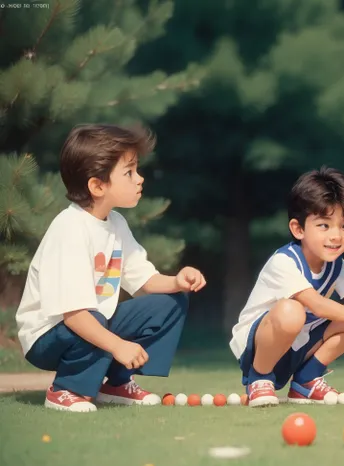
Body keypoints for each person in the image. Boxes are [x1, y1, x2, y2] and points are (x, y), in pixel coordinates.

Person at [16, 124, 206, 412]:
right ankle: (66, 389)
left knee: (170, 302)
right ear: (97, 185)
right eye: (129, 172)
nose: (140, 179)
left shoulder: (116, 223)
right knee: (92, 317)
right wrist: (118, 346)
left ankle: (116, 383)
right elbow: (75, 316)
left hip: (94, 321)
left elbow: (144, 280)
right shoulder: (70, 228)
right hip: (49, 336)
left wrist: (177, 282)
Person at [230, 167, 344, 407]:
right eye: (324, 226)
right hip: (260, 347)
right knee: (291, 310)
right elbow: (316, 304)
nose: (336, 236)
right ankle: (259, 379)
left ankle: (307, 380)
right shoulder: (284, 261)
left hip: (298, 342)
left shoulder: (339, 266)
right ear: (298, 229)